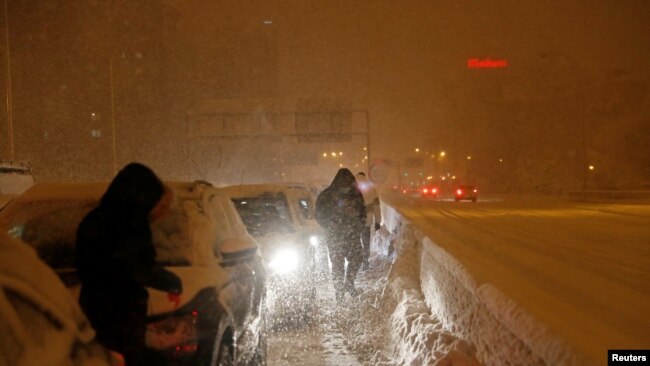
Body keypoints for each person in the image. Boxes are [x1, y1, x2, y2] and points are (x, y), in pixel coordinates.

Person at [76, 162, 182, 365]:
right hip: (121, 312)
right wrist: (172, 283)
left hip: (93, 306)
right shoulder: (131, 225)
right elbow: (139, 267)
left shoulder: (94, 219)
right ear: (142, 195)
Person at [316, 168, 366, 302]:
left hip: (351, 235)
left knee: (357, 258)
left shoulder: (356, 195)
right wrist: (333, 224)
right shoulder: (326, 196)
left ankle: (349, 283)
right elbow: (320, 215)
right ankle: (339, 293)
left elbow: (362, 214)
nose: (346, 187)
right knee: (337, 265)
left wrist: (356, 227)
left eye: (348, 184)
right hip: (335, 236)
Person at [355, 172, 382, 270]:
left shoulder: (351, 188)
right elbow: (377, 207)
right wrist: (378, 221)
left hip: (354, 223)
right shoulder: (371, 190)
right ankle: (365, 261)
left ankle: (355, 261)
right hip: (367, 221)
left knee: (355, 241)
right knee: (366, 242)